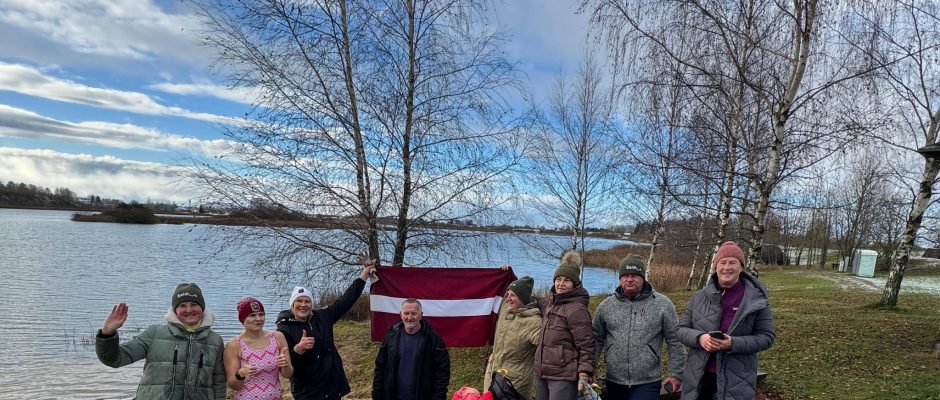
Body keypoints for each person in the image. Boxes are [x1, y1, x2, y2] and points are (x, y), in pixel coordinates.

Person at [677, 241, 776, 400]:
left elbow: (767, 337)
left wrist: (733, 343)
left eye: (733, 262)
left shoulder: (756, 300)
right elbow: (681, 329)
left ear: (741, 267)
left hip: (737, 380)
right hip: (698, 378)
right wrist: (700, 338)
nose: (727, 267)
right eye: (722, 262)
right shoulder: (699, 297)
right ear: (715, 267)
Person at [96, 283, 226, 400]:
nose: (189, 310)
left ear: (202, 308)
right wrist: (107, 334)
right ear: (175, 310)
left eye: (194, 304)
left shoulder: (215, 340)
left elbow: (219, 382)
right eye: (182, 305)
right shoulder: (155, 333)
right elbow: (115, 359)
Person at [276, 261, 376, 400]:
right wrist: (298, 350)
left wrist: (363, 276)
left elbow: (346, 300)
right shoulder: (284, 329)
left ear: (311, 305)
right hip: (306, 392)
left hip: (331, 387)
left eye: (307, 301)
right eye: (299, 301)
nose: (303, 305)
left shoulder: (323, 316)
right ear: (292, 305)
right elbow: (286, 368)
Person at [593, 254, 685, 400]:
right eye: (625, 275)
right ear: (620, 278)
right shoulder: (606, 306)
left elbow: (675, 340)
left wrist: (676, 374)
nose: (629, 279)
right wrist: (590, 369)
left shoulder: (662, 304)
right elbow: (596, 339)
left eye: (634, 275)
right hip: (614, 381)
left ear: (643, 277)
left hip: (648, 382)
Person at [534, 250, 596, 400]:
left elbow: (586, 345)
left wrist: (584, 373)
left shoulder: (577, 309)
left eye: (566, 280)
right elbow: (538, 301)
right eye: (558, 279)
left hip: (563, 376)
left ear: (574, 284)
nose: (561, 284)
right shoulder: (552, 304)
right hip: (543, 372)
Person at [372, 298, 451, 400]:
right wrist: (377, 394)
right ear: (401, 315)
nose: (410, 317)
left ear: (421, 315)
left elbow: (442, 373)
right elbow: (380, 367)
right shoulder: (391, 336)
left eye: (414, 313)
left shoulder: (433, 339)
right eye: (406, 313)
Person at [483, 275, 541, 399]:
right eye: (507, 294)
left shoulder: (534, 322)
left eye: (512, 295)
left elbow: (548, 345)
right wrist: (504, 273)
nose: (508, 299)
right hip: (492, 376)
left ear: (523, 298)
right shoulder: (506, 308)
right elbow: (503, 286)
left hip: (514, 384)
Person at [224, 297, 293, 399]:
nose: (258, 319)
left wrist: (285, 364)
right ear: (243, 319)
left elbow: (288, 375)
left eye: (261, 314)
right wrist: (240, 374)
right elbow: (234, 386)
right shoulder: (234, 345)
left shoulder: (277, 337)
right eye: (252, 315)